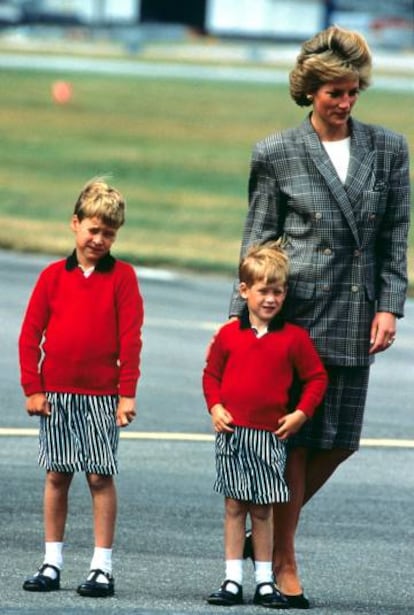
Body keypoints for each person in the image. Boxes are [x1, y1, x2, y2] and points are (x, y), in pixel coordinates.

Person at [229, 25, 411, 608]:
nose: (346, 101)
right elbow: (257, 241)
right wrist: (241, 321)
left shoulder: (389, 149)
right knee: (298, 442)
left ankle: (265, 524)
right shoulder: (275, 151)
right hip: (295, 312)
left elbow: (395, 234)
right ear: (311, 91)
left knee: (341, 439)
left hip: (356, 313)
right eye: (336, 91)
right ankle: (283, 560)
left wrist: (390, 304)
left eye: (354, 90)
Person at [19, 178, 144, 598]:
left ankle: (101, 568)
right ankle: (51, 562)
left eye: (108, 233)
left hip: (102, 397)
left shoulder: (123, 278)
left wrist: (126, 393)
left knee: (98, 476)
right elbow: (29, 335)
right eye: (93, 229)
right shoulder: (53, 277)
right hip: (56, 396)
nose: (99, 239)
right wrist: (33, 388)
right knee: (57, 475)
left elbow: (131, 338)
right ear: (75, 224)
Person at [203, 243, 328, 608]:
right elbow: (211, 374)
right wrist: (215, 407)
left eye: (278, 291)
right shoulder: (229, 335)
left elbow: (316, 378)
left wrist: (301, 413)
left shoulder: (293, 338)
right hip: (233, 434)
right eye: (263, 291)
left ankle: (263, 581)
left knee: (262, 509)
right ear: (245, 291)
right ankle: (231, 579)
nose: (271, 299)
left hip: (270, 438)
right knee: (233, 506)